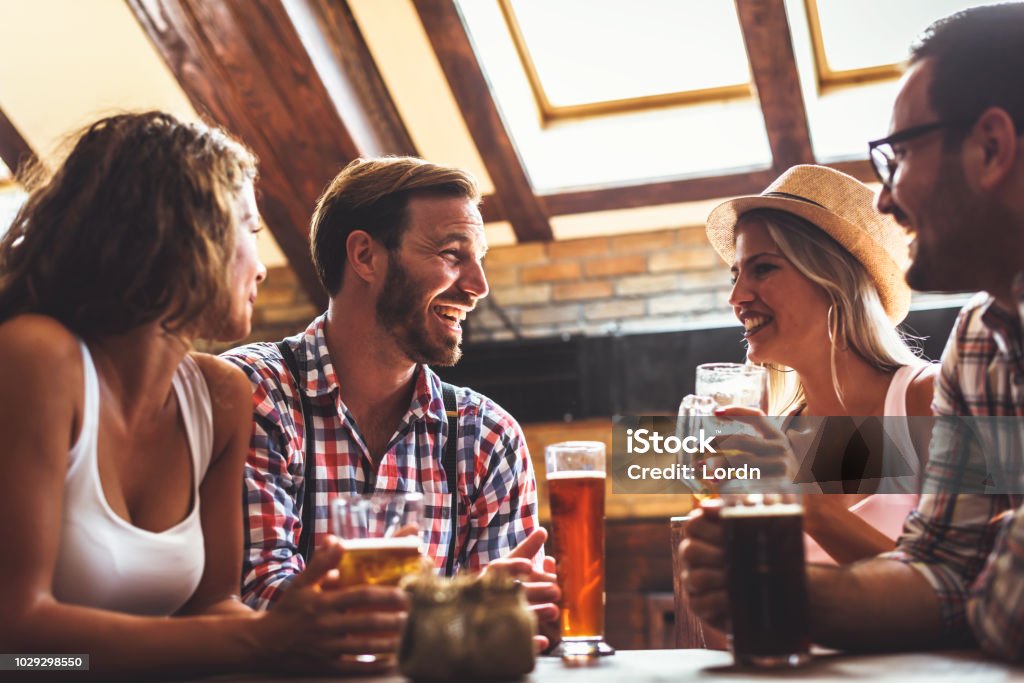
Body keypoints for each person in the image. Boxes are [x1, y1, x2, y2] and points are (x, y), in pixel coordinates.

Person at [0, 112, 409, 678]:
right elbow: (19, 649)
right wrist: (264, 640)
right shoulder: (38, 359)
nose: (261, 268)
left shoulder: (220, 395)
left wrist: (313, 627)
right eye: (250, 230)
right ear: (181, 229)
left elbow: (212, 609)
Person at [681, 3, 1024, 658]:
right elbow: (949, 574)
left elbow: (981, 596)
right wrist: (773, 585)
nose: (887, 200)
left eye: (899, 156)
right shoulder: (980, 342)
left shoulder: (920, 391)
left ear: (991, 146)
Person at [222, 156, 560, 647]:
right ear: (364, 256)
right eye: (452, 253)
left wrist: (517, 618)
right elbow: (263, 600)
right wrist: (464, 612)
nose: (478, 286)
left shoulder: (488, 436)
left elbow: (503, 635)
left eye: (479, 259)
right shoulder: (256, 392)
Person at [703, 164, 936, 565]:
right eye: (736, 275)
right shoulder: (774, 435)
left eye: (763, 268)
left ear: (833, 281)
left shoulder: (925, 398)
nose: (737, 297)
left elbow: (959, 592)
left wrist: (810, 508)